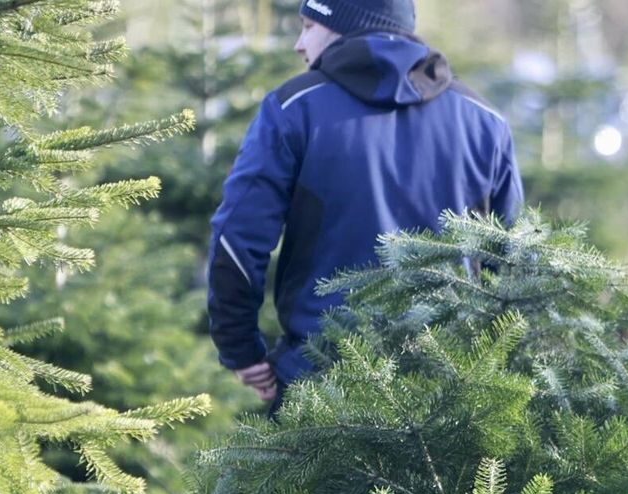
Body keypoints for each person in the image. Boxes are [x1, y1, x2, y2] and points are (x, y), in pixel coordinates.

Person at [206, 0, 524, 409]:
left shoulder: (292, 108)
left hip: (318, 390)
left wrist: (241, 349)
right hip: (451, 397)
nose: (299, 45)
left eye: (308, 26)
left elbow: (237, 235)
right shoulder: (485, 120)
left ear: (346, 26)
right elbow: (511, 262)